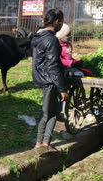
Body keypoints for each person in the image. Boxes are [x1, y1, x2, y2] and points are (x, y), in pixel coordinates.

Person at [31, 9, 69, 152]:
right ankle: (41, 142)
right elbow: (53, 66)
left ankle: (44, 141)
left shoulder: (37, 37)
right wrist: (62, 89)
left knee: (51, 110)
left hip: (40, 77)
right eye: (61, 21)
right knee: (49, 112)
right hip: (50, 81)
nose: (62, 24)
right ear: (56, 22)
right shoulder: (51, 39)